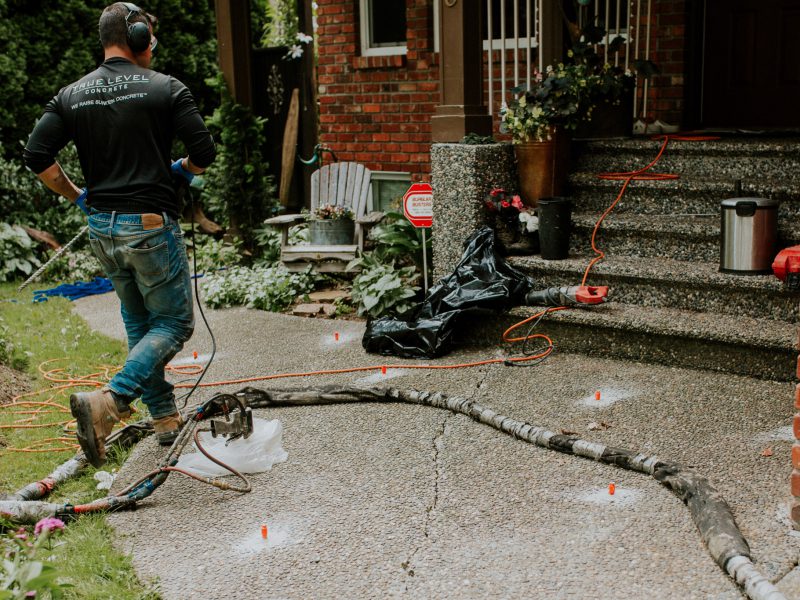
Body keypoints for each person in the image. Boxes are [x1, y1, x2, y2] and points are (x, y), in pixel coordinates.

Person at [23, 2, 216, 467]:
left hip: (102, 227)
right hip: (149, 225)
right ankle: (110, 400)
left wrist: (75, 195)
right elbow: (204, 151)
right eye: (149, 35)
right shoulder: (166, 88)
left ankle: (165, 418)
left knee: (138, 322)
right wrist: (182, 174)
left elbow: (37, 154)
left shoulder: (71, 95)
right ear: (136, 37)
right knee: (173, 324)